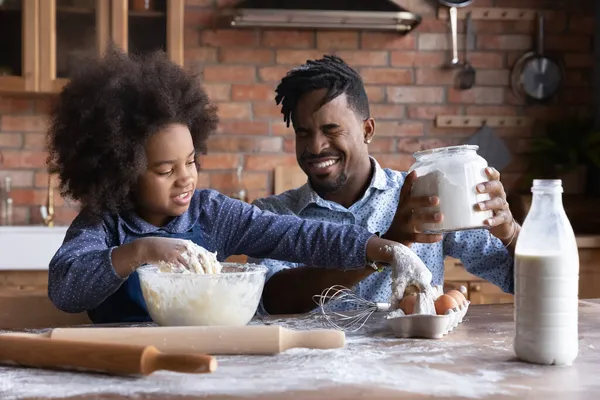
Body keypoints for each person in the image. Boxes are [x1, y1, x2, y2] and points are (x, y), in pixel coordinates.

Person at [45, 47, 423, 324]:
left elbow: (301, 235)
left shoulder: (212, 214)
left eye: (191, 161)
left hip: (205, 365)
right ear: (122, 171)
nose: (186, 178)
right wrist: (141, 250)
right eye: (165, 170)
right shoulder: (104, 224)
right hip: (122, 368)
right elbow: (65, 288)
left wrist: (384, 249)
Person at [251, 55, 520, 315]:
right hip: (308, 360)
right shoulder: (273, 215)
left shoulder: (422, 198)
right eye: (303, 132)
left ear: (367, 130)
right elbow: (271, 300)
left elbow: (519, 280)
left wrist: (509, 233)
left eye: (331, 130)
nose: (315, 146)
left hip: (409, 362)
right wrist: (387, 246)